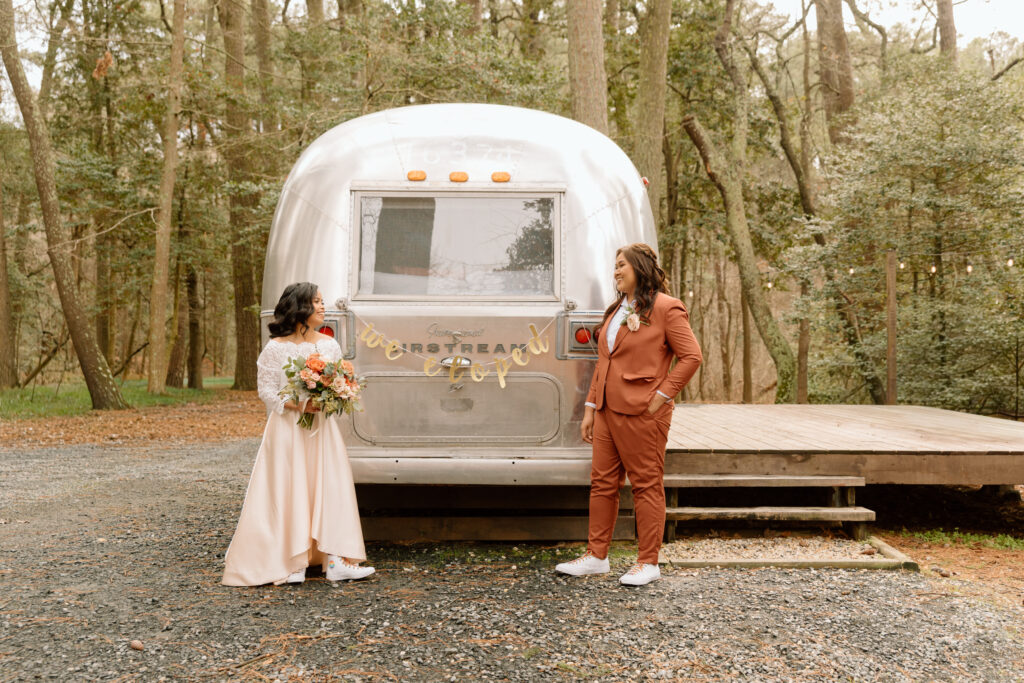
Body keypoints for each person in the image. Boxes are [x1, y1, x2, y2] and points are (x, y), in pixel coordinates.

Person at [555, 244, 702, 586]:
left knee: (646, 485)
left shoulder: (667, 308)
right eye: (615, 266)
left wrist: (661, 397)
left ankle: (648, 562)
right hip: (606, 410)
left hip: (644, 411)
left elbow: (692, 356)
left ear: (640, 268)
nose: (616, 271)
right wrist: (591, 408)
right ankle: (596, 556)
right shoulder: (618, 309)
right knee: (603, 484)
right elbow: (604, 361)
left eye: (622, 265)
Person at [222, 282, 374, 586]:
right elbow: (265, 390)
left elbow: (337, 381)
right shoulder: (275, 348)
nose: (323, 307)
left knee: (327, 486)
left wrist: (332, 396)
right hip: (287, 429)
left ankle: (335, 560)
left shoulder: (329, 345)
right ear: (300, 308)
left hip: (321, 429)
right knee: (289, 488)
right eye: (316, 301)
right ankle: (292, 562)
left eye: (322, 301)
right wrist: (297, 405)